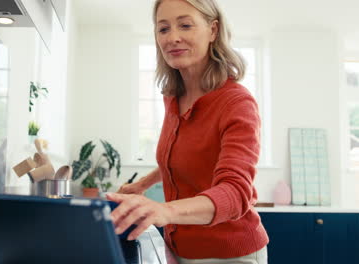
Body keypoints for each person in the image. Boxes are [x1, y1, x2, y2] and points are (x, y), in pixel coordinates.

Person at [105, 0, 269, 263]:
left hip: (229, 253)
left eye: (185, 25)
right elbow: (182, 157)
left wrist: (163, 210)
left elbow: (236, 192)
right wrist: (141, 185)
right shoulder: (173, 97)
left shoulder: (237, 103)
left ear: (213, 30)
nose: (173, 38)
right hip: (180, 248)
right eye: (163, 29)